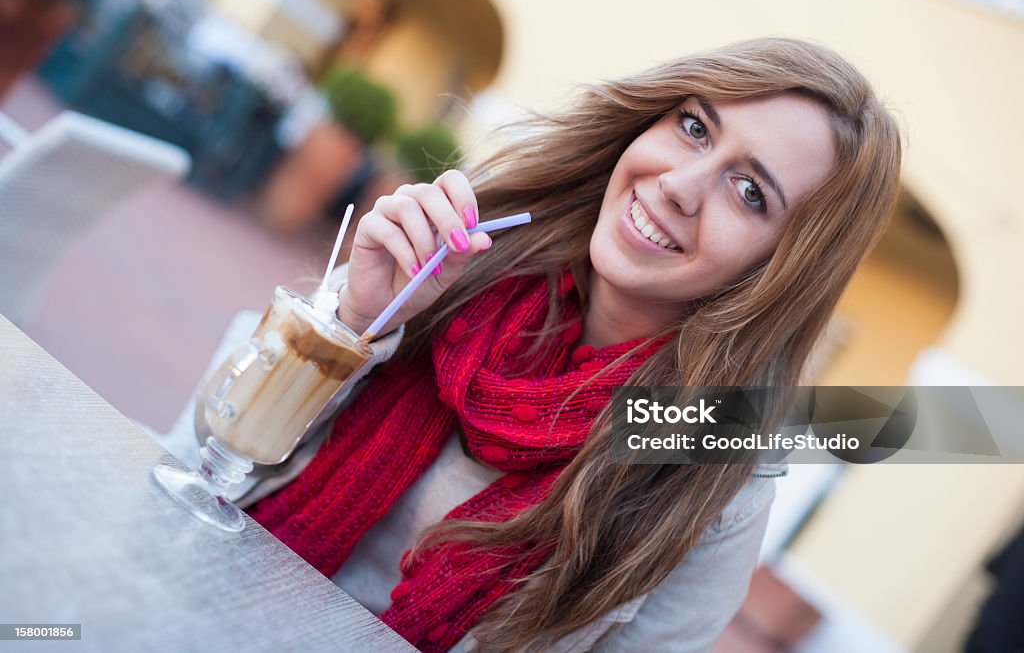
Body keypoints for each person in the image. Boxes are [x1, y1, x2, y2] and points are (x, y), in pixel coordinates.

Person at [221, 37, 902, 652]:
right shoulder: (470, 259)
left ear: (780, 268)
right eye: (695, 127)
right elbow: (214, 447)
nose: (678, 186)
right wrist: (357, 319)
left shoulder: (706, 467)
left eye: (750, 192)